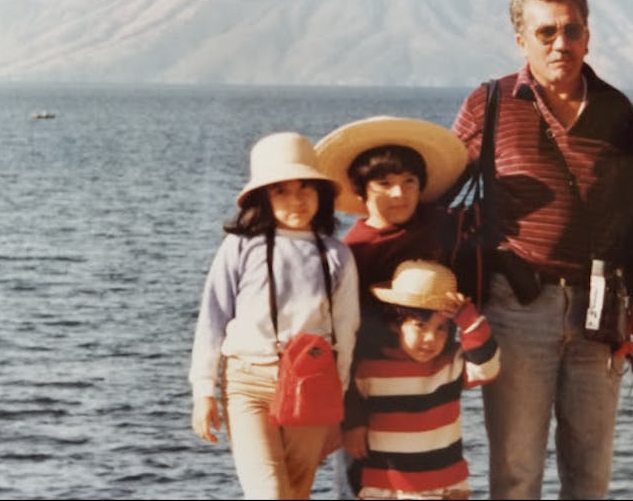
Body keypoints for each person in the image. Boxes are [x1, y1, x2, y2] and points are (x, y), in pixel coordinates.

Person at [450, 0, 633, 499]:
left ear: (588, 37)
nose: (560, 43)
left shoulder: (617, 111)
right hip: (516, 308)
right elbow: (439, 186)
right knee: (517, 474)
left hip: (600, 310)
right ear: (521, 40)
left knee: (590, 476)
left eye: (572, 30)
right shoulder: (490, 103)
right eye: (546, 33)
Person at [188, 131, 360, 500]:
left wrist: (338, 402)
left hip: (312, 382)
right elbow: (212, 320)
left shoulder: (336, 254)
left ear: (320, 193)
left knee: (296, 492)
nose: (295, 200)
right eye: (281, 190)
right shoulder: (239, 246)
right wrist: (204, 391)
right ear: (263, 198)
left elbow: (346, 331)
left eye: (305, 188)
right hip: (248, 384)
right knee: (269, 493)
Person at [315, 116, 470, 498]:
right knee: (362, 485)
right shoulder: (353, 253)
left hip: (429, 392)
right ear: (361, 191)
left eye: (409, 183)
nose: (399, 194)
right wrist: (351, 418)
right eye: (384, 184)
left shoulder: (438, 231)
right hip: (369, 394)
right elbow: (340, 340)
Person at [344, 259, 500, 500]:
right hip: (385, 487)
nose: (431, 338)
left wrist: (467, 318)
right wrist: (353, 424)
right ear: (397, 324)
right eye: (420, 326)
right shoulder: (369, 368)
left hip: (446, 485)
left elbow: (487, 366)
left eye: (442, 328)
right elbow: (346, 395)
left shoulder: (450, 365)